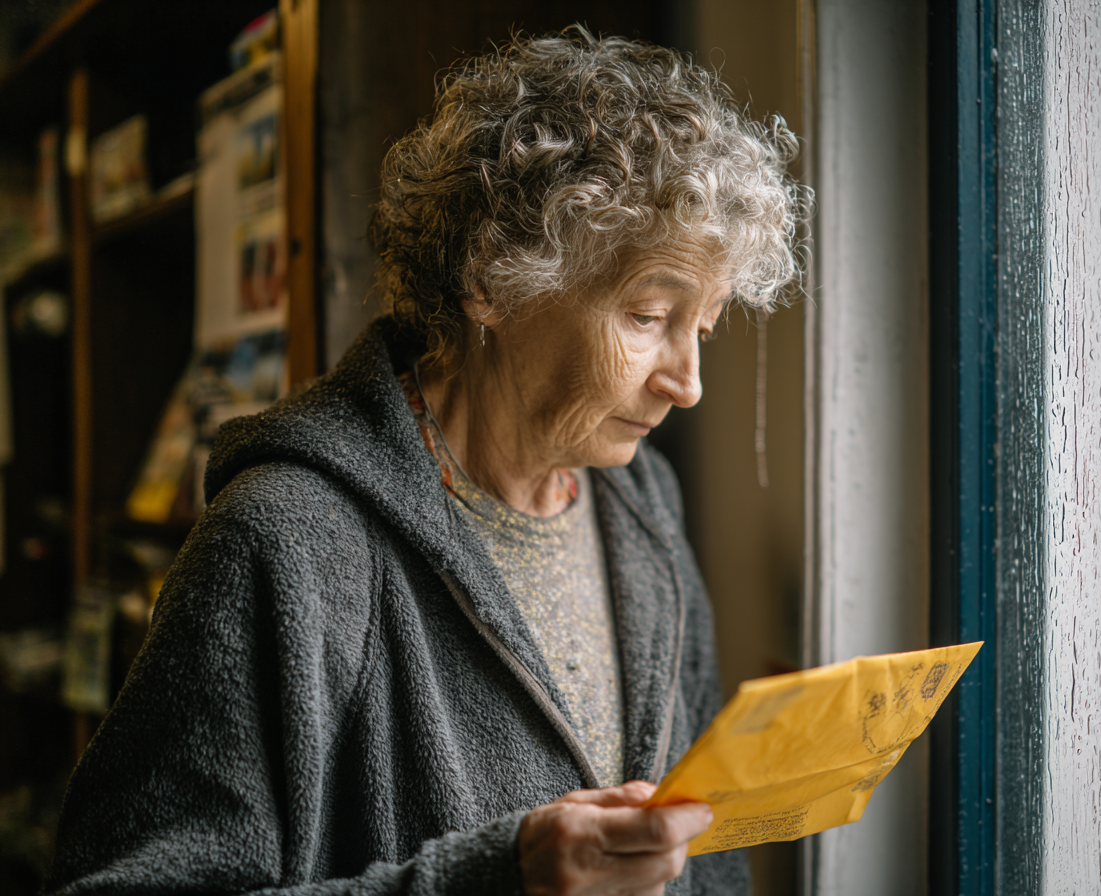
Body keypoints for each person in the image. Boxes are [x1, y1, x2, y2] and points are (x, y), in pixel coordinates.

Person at [48, 27, 807, 896]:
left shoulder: (644, 502)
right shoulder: (285, 542)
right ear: (490, 276)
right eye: (646, 316)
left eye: (701, 328)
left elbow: (702, 856)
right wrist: (496, 879)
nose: (688, 384)